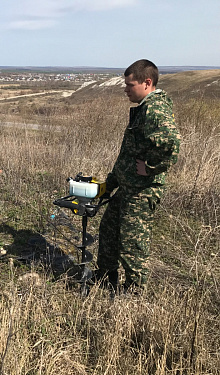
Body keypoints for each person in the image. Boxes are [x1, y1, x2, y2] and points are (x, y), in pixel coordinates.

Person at [95, 59, 181, 294]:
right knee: (109, 230)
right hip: (127, 187)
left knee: (133, 243)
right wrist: (109, 184)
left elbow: (172, 145)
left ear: (147, 82)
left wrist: (151, 168)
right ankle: (105, 277)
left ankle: (134, 291)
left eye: (129, 85)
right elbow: (129, 154)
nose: (126, 89)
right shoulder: (144, 107)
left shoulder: (155, 108)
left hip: (142, 190)